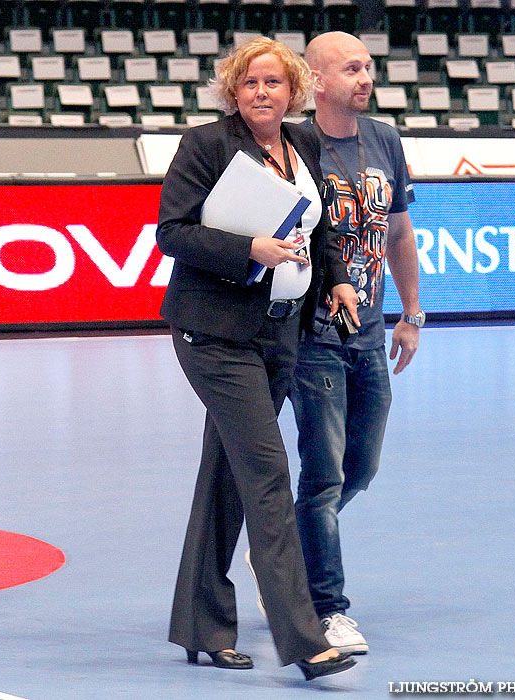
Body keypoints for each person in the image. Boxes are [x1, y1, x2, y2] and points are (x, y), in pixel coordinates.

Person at [157, 37, 357, 681]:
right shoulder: (207, 146)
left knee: (224, 478)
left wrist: (337, 278)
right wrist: (251, 248)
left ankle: (201, 626)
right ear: (233, 92)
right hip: (213, 335)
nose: (261, 93)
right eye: (249, 84)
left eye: (273, 82)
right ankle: (304, 639)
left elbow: (318, 227)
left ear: (293, 90)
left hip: (278, 334)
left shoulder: (306, 145)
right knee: (269, 475)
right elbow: (173, 232)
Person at [289, 31, 423, 654]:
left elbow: (398, 231)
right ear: (315, 80)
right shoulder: (296, 144)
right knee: (321, 474)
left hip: (368, 330)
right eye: (351, 69)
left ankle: (288, 554)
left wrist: (410, 314)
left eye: (368, 67)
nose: (366, 78)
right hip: (312, 335)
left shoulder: (386, 140)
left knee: (360, 466)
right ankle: (325, 605)